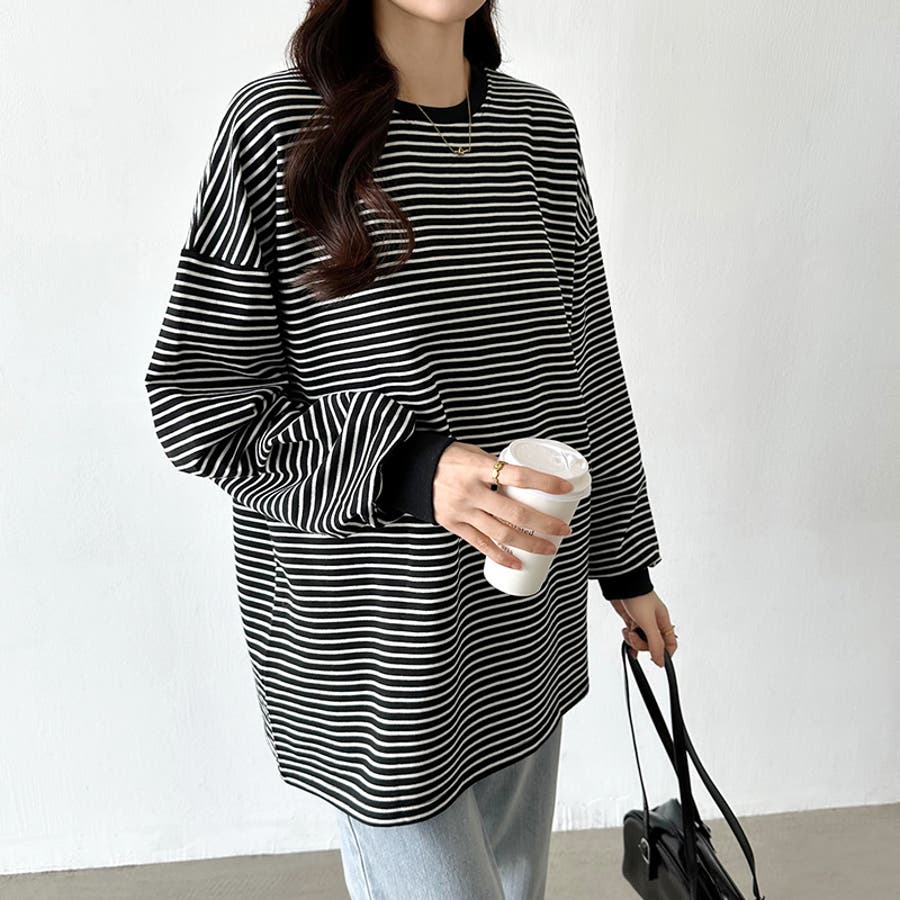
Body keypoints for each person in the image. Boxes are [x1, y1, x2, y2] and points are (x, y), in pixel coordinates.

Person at [143, 1, 678, 897]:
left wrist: (625, 566)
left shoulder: (540, 130)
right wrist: (413, 466)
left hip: (523, 615)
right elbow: (199, 401)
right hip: (373, 645)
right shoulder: (278, 127)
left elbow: (589, 363)